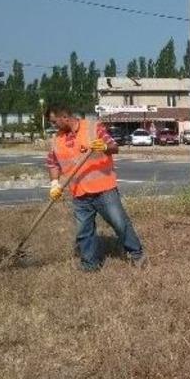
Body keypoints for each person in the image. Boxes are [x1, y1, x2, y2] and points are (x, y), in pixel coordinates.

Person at [45, 103, 147, 271]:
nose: (53, 125)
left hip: (104, 190)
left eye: (54, 122)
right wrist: (54, 184)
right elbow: (52, 164)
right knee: (84, 231)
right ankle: (90, 265)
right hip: (79, 193)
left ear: (65, 117)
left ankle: (137, 255)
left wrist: (105, 147)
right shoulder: (56, 140)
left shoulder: (93, 127)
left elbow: (115, 147)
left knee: (120, 224)